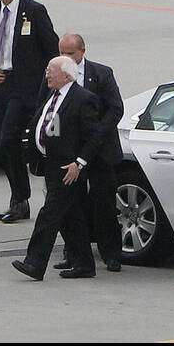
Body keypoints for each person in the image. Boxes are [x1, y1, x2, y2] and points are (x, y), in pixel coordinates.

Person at [0, 0, 59, 223]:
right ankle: (18, 199)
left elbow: (51, 48)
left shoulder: (34, 11)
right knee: (2, 142)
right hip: (0, 84)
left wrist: (46, 84)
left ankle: (21, 197)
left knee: (10, 137)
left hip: (25, 88)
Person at [12, 56, 101, 280]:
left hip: (69, 168)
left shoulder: (83, 99)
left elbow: (94, 137)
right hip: (51, 164)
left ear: (66, 74)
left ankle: (34, 263)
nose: (47, 74)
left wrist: (79, 163)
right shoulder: (53, 96)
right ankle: (84, 265)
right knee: (72, 218)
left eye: (51, 70)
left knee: (48, 215)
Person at [53, 34, 125, 272]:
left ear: (82, 51)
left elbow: (116, 109)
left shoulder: (102, 74)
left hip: (100, 152)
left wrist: (96, 136)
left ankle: (111, 254)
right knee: (73, 205)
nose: (66, 58)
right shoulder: (56, 74)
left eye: (70, 54)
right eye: (62, 53)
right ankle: (75, 253)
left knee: (104, 203)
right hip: (71, 153)